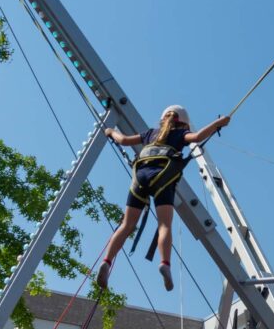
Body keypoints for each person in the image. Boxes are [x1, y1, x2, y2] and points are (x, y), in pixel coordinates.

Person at [94, 106, 231, 292]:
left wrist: (110, 131)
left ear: (163, 118)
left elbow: (124, 140)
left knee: (126, 225)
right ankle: (164, 263)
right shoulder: (181, 133)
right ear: (183, 121)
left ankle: (106, 262)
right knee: (164, 225)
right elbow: (197, 138)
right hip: (162, 178)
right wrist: (218, 123)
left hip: (140, 177)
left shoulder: (151, 133)